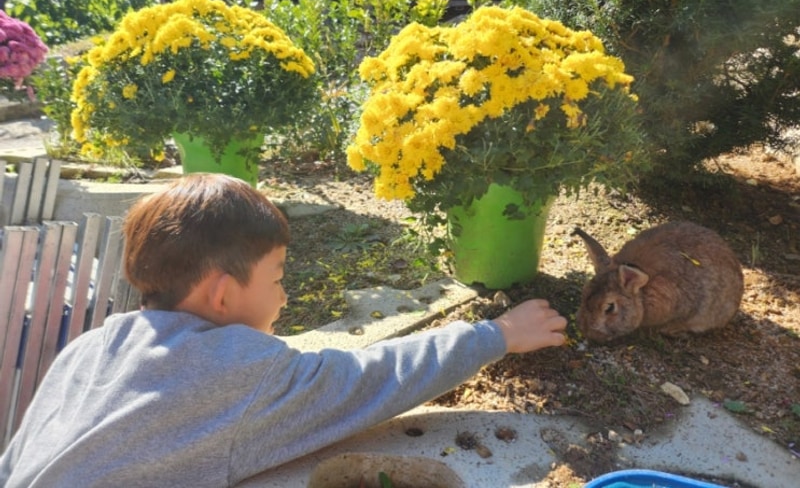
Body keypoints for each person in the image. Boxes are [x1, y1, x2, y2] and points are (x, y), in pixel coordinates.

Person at [0, 173, 567, 487]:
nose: (285, 295)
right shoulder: (242, 373)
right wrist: (499, 335)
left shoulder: (93, 344)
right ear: (221, 293)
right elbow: (373, 378)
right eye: (277, 277)